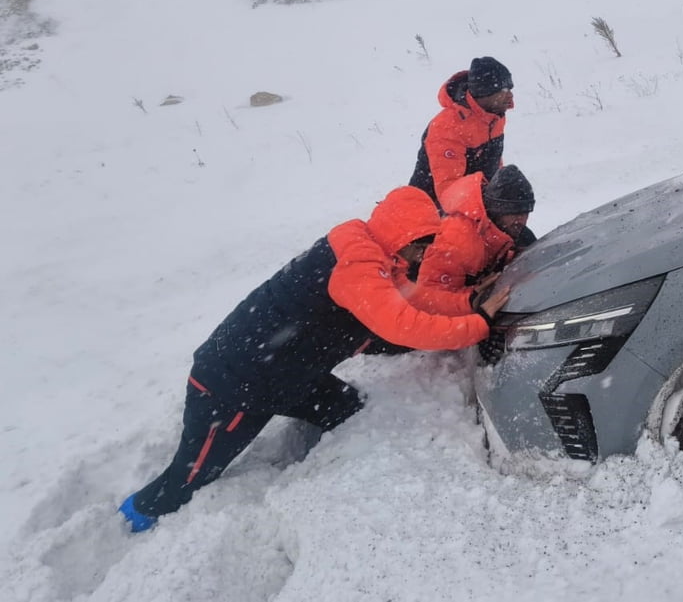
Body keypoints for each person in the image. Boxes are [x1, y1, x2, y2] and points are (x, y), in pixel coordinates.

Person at [117, 185, 513, 533]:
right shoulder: (356, 265)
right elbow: (401, 324)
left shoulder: (375, 253)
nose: (424, 253)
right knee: (190, 477)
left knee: (347, 409)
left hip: (289, 374)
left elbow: (412, 297)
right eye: (421, 243)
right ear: (402, 233)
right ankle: (133, 516)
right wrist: (476, 325)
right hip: (236, 384)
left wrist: (467, 301)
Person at [407, 164, 536, 316]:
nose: (521, 220)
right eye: (515, 213)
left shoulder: (516, 233)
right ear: (497, 209)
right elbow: (430, 302)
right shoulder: (456, 240)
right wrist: (477, 298)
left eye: (526, 212)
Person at [408, 57, 515, 210]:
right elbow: (448, 192)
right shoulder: (447, 127)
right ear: (484, 93)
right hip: (431, 213)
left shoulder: (495, 116)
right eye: (504, 90)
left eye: (510, 89)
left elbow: (494, 163)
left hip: (474, 201)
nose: (510, 96)